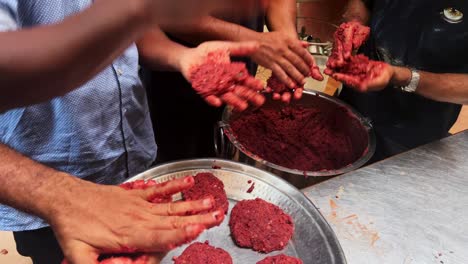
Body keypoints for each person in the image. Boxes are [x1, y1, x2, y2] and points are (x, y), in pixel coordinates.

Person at [0, 0, 267, 263]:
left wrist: (180, 55)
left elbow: (132, 37)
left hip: (133, 155)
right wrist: (59, 196)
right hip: (44, 190)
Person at [139, 0, 322, 162]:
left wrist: (287, 41)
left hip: (242, 63)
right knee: (181, 158)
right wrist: (253, 41)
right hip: (177, 74)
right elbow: (157, 11)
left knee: (231, 139)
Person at [327, 0, 468, 162]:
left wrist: (404, 77)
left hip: (413, 135)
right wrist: (354, 23)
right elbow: (363, 2)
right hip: (352, 105)